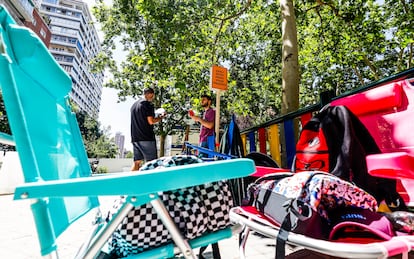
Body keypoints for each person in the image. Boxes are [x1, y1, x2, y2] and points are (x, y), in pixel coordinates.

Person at [130, 87, 164, 171]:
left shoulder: (133, 106)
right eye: (152, 96)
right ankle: (152, 183)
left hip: (135, 138)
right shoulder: (148, 104)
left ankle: (130, 182)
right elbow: (151, 121)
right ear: (151, 94)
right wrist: (161, 118)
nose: (152, 98)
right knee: (152, 163)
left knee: (136, 162)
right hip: (146, 138)